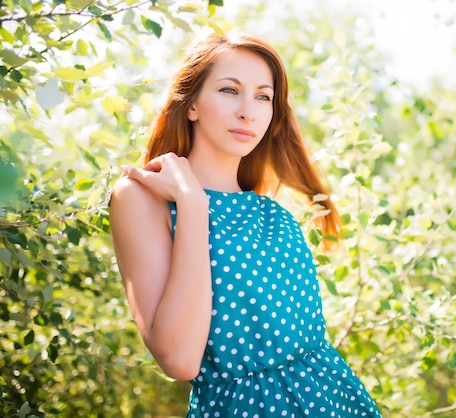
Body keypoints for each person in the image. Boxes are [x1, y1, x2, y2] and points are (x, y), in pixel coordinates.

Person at [108, 32, 382, 417]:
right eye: (228, 90)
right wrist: (192, 204)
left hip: (338, 402)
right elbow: (180, 360)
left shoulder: (275, 216)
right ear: (191, 105)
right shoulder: (141, 198)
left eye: (263, 96)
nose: (247, 112)